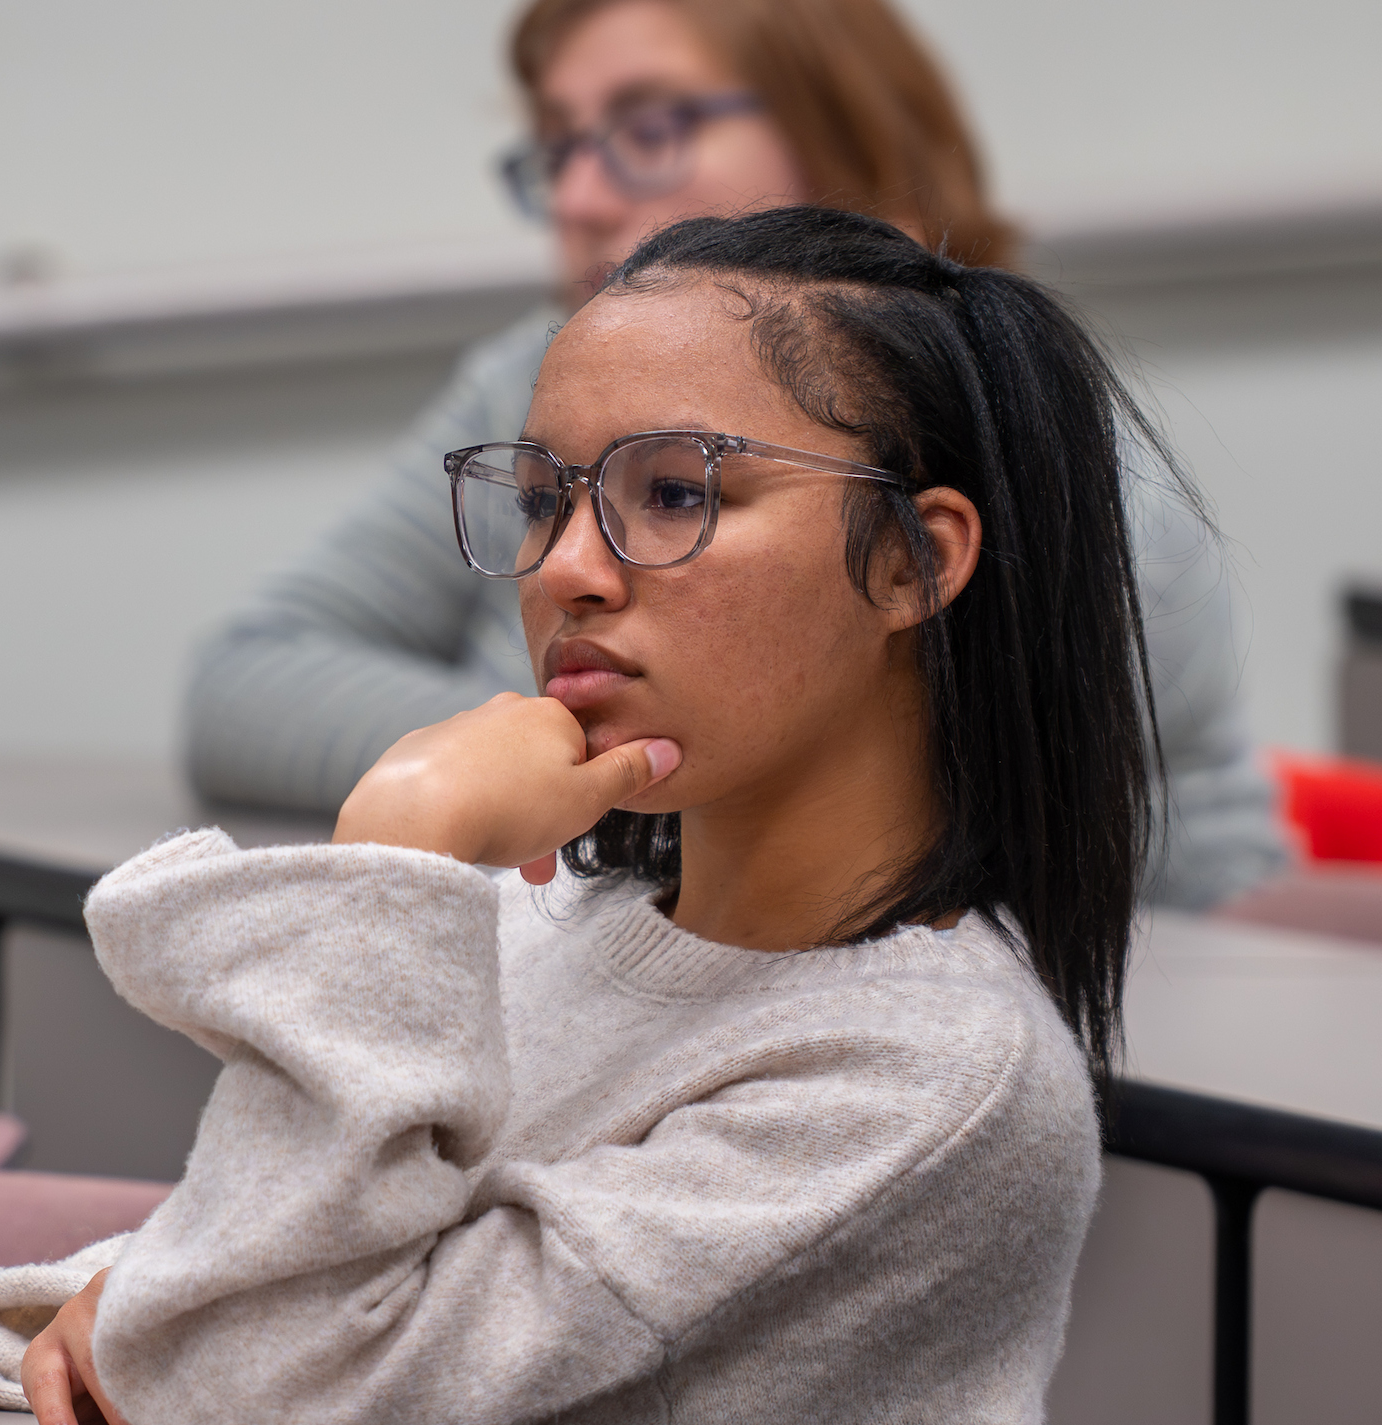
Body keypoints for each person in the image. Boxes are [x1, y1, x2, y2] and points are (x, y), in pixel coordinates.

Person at [0, 206, 1151, 1425]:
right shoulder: (552, 923)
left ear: (914, 560)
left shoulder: (932, 1090)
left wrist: (399, 860)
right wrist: (159, 1321)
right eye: (545, 499)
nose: (566, 566)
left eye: (674, 494)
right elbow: (186, 1317)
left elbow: (245, 1380)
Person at [183, 0, 1284, 911]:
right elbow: (248, 678)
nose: (577, 196)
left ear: (846, 138)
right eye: (559, 145)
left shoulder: (1025, 439)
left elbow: (893, 815)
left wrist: (544, 746)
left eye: (648, 128)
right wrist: (497, 767)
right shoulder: (527, 370)